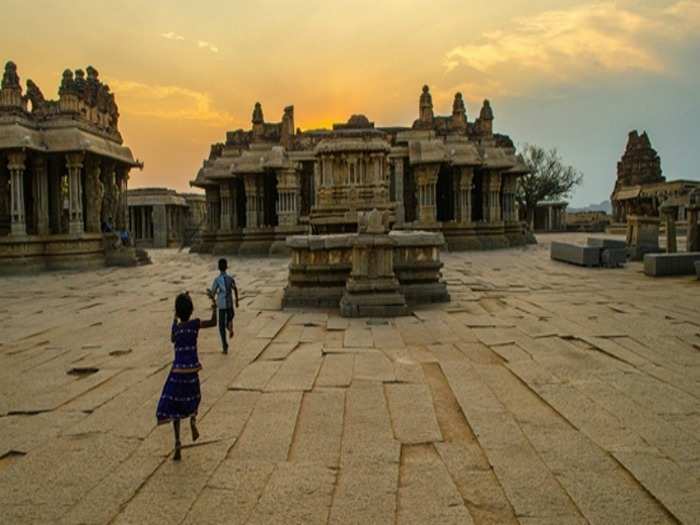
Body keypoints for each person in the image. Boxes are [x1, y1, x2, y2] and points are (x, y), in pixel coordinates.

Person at [156, 291, 216, 461]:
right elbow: (213, 322)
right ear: (191, 310)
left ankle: (177, 442)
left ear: (177, 311)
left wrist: (174, 317)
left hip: (177, 372)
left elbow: (172, 339)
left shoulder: (177, 329)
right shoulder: (194, 325)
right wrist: (214, 304)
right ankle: (193, 420)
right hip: (192, 371)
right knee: (195, 396)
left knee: (174, 406)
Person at [209, 258, 239, 354]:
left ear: (219, 268)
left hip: (221, 304)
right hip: (229, 303)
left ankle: (224, 345)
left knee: (221, 326)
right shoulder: (230, 279)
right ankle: (229, 325)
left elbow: (213, 293)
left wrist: (210, 295)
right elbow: (235, 289)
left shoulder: (217, 280)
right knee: (230, 316)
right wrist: (237, 300)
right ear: (226, 267)